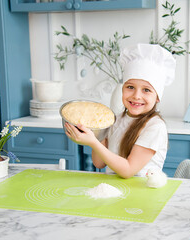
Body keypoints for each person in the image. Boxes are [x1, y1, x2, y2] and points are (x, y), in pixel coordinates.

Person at [64, 43, 176, 178]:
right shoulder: (114, 120)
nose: (136, 95)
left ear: (157, 97)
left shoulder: (155, 127)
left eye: (146, 90)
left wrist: (92, 142)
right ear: (122, 89)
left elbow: (128, 170)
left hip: (143, 191)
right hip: (115, 189)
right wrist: (94, 136)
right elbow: (99, 163)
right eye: (130, 87)